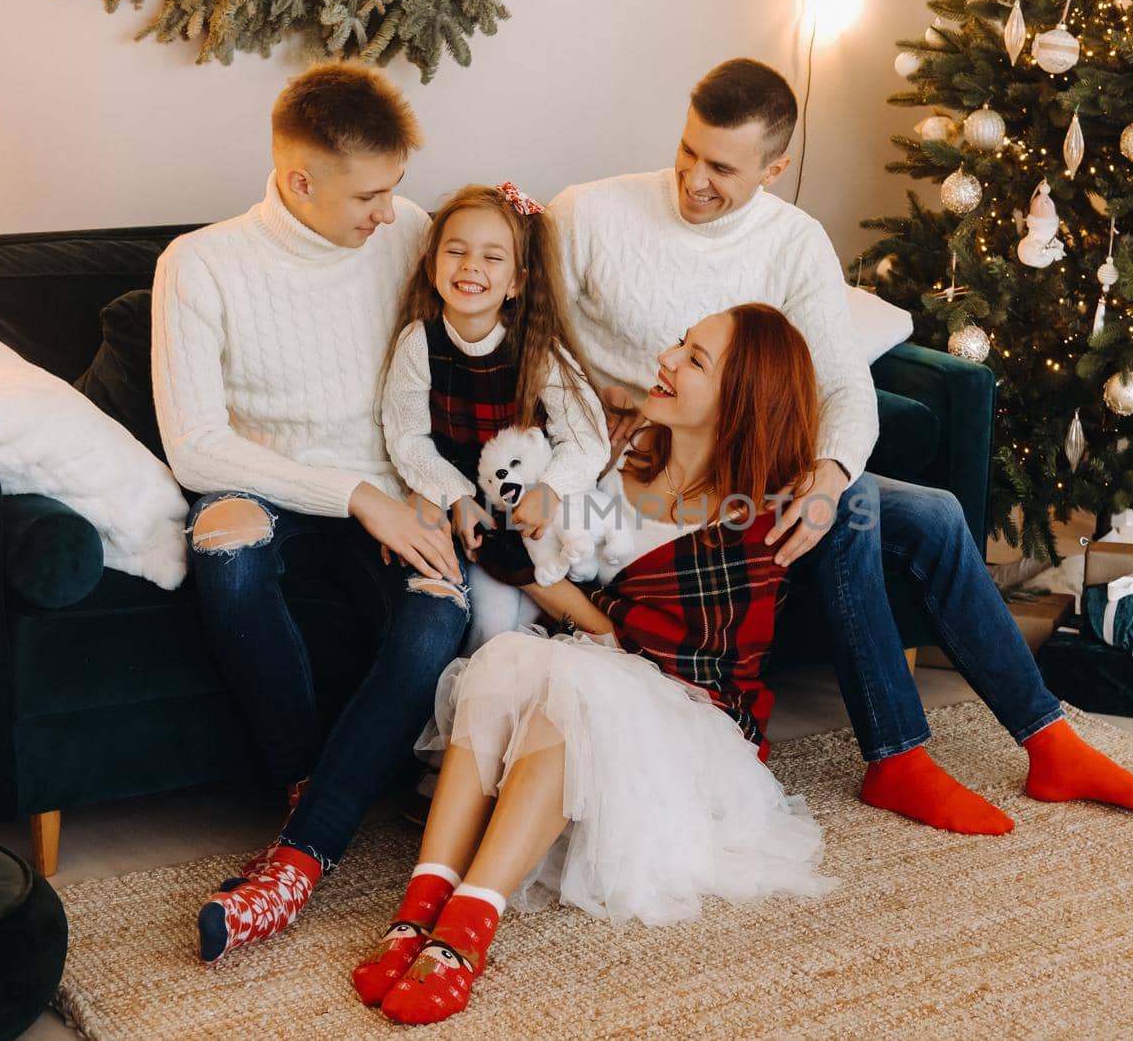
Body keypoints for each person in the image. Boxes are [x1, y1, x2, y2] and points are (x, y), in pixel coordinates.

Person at [520, 57, 1133, 836]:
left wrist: (829, 473)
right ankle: (896, 756)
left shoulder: (793, 241)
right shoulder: (590, 215)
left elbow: (843, 381)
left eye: (723, 167)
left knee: (925, 510)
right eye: (689, 151)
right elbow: (525, 338)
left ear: (776, 167)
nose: (695, 179)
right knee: (862, 506)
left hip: (739, 473)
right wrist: (591, 400)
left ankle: (1049, 739)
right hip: (650, 485)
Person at [351, 305, 836, 1025]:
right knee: (507, 663)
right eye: (680, 339)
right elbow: (539, 559)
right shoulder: (620, 453)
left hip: (691, 727)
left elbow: (706, 658)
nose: (666, 358)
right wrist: (591, 616)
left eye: (695, 359)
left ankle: (466, 928)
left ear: (740, 401)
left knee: (570, 685)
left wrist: (601, 631)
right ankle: (419, 904)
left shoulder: (757, 522)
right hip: (596, 677)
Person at [150, 63, 469, 965]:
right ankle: (308, 785)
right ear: (299, 181)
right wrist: (355, 496)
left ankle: (297, 858)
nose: (390, 211)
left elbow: (491, 326)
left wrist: (413, 487)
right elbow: (196, 445)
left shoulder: (407, 232)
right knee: (225, 545)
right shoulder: (201, 263)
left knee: (445, 606)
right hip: (270, 487)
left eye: (396, 187)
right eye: (369, 193)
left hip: (391, 482)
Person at [380, 181, 608, 593]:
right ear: (432, 268)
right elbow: (407, 437)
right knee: (489, 614)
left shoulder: (537, 350)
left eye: (492, 257)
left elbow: (587, 439)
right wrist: (454, 496)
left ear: (516, 282)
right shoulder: (419, 341)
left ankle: (589, 623)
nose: (470, 266)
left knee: (543, 567)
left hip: (531, 493)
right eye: (456, 251)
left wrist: (550, 490)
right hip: (465, 492)